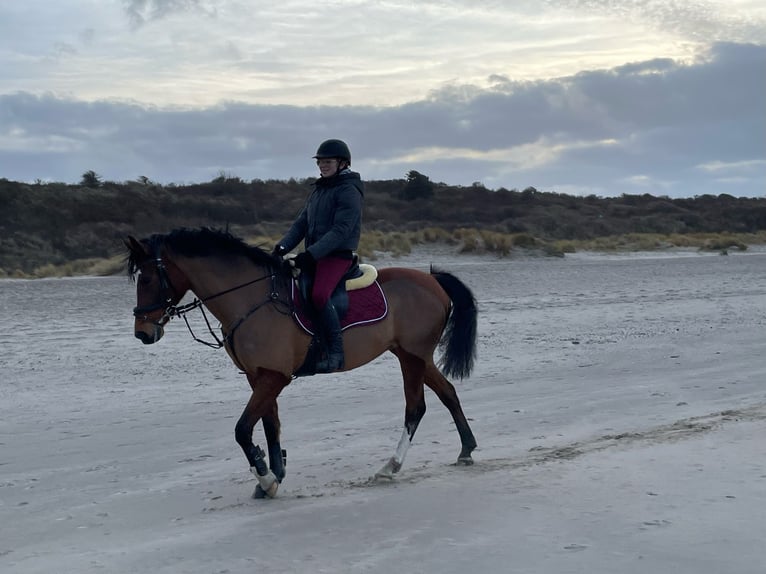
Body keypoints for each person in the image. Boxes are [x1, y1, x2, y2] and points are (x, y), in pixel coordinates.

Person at [272, 139, 364, 372]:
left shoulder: (349, 190)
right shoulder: (319, 190)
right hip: (316, 255)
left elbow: (340, 230)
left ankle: (335, 352)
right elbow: (301, 224)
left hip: (337, 257)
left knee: (320, 295)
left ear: (343, 163)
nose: (323, 166)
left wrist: (310, 255)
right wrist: (282, 247)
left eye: (328, 162)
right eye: (320, 162)